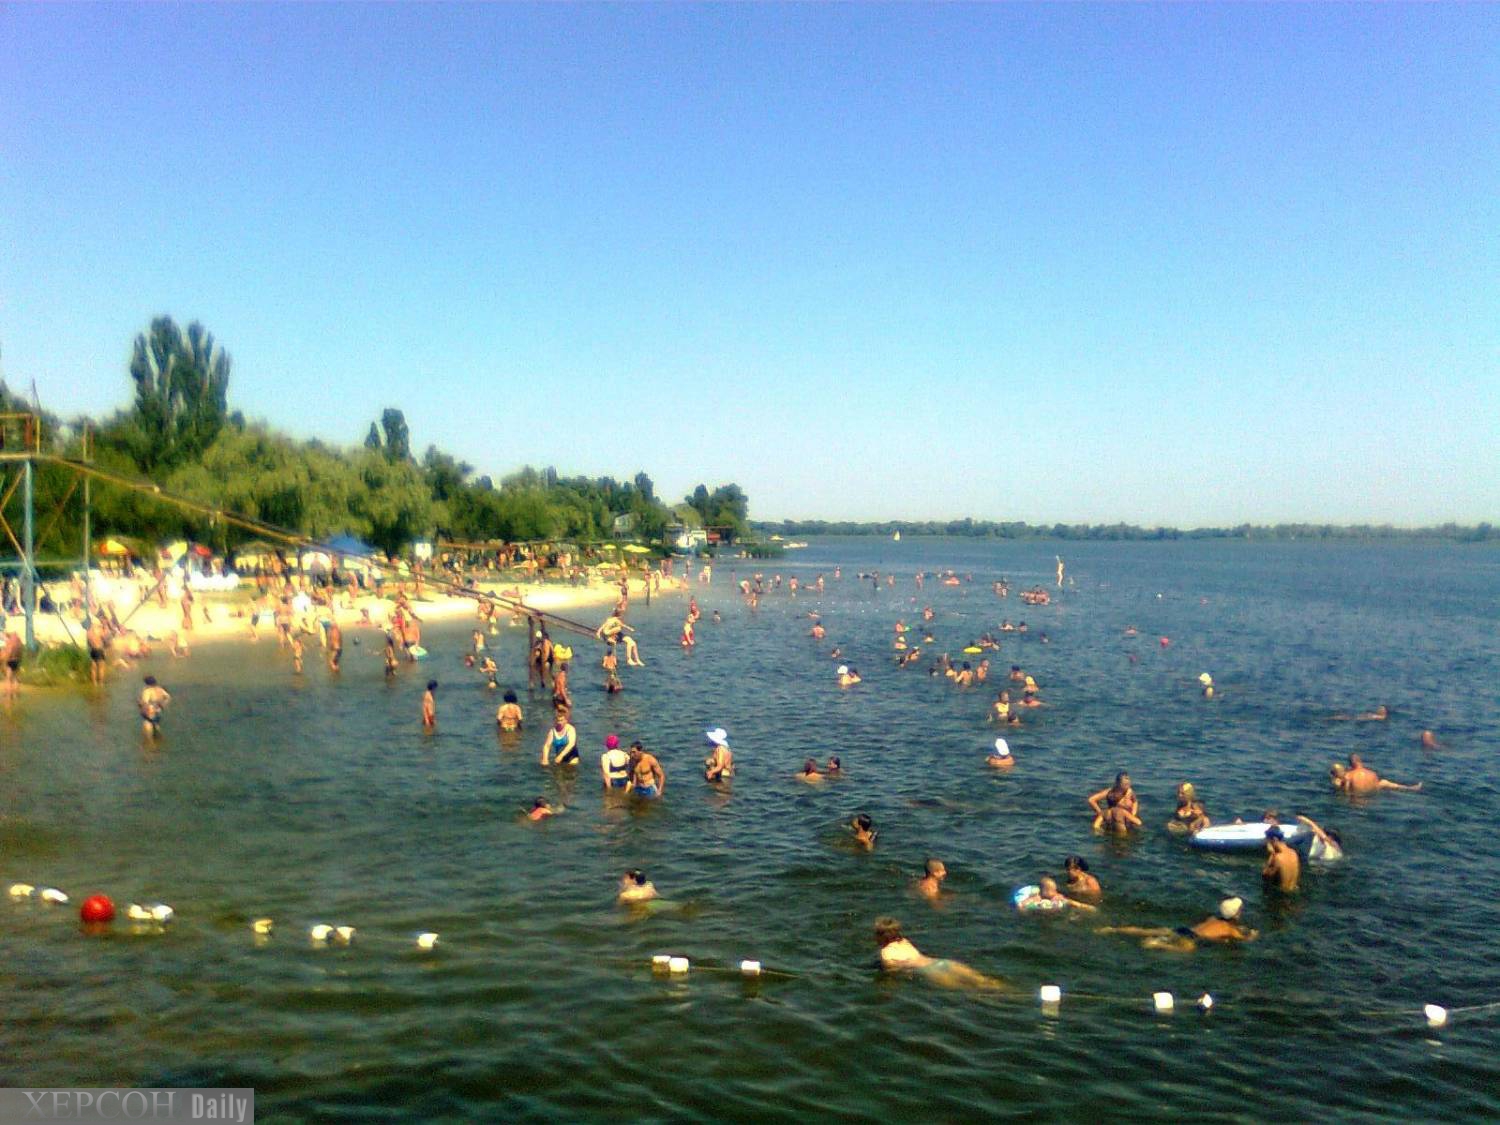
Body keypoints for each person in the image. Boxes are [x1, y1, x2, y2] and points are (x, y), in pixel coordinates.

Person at [873, 918, 1004, 990]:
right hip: (942, 962)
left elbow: (893, 973)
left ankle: (1013, 998)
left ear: (881, 936)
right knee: (984, 981)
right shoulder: (904, 941)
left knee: (970, 991)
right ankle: (1014, 992)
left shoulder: (886, 953)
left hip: (930, 971)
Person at [1099, 897, 1258, 951]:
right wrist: (1253, 935)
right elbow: (1244, 939)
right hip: (1192, 938)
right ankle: (1157, 945)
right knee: (1187, 950)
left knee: (1146, 930)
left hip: (1184, 929)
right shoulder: (1230, 930)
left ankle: (1113, 929)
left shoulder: (1213, 919)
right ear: (1235, 915)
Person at [1331, 754, 1422, 794]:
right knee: (1383, 782)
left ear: (1351, 764)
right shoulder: (1373, 774)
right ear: (1360, 761)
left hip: (1355, 800)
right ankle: (1410, 788)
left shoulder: (1349, 775)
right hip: (1372, 797)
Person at [1262, 826, 1301, 892]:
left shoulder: (1277, 857)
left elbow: (1265, 877)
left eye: (1268, 840)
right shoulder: (1293, 852)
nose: (1266, 842)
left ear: (1274, 839)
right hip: (1294, 891)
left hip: (1281, 896)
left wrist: (1272, 854)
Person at [86, 618, 108, 686]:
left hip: (92, 650)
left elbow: (88, 642)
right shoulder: (99, 630)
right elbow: (105, 638)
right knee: (101, 668)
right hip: (99, 649)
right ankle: (101, 683)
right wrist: (105, 628)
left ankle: (94, 683)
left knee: (93, 668)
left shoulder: (88, 631)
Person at [2, 629, 22, 697]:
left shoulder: (9, 641)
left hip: (10, 660)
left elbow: (9, 652)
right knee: (15, 678)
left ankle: (8, 694)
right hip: (17, 660)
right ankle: (16, 694)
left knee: (8, 678)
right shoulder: (18, 640)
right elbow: (20, 652)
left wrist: (5, 661)